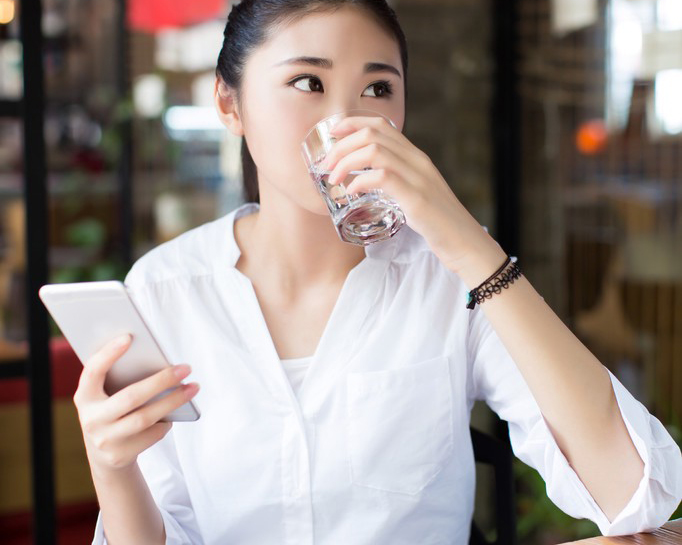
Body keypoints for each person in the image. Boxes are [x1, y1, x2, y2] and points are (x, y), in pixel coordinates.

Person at [76, 1, 682, 543]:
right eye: (307, 82)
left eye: (377, 90)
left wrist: (467, 242)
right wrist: (113, 465)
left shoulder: (446, 272)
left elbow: (637, 495)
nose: (344, 124)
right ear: (229, 105)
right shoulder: (164, 290)